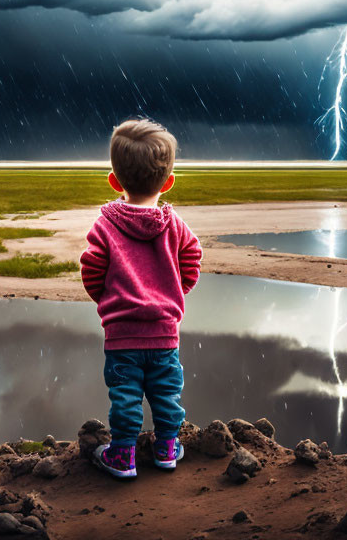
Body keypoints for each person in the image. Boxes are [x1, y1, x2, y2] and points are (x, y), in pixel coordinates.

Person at [80, 118, 202, 479]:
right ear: (168, 182)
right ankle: (166, 448)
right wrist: (175, 292)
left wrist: (109, 298)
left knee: (125, 397)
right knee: (167, 394)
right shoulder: (174, 224)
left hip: (122, 336)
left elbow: (91, 271)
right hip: (165, 333)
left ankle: (123, 455)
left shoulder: (105, 225)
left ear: (114, 181)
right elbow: (193, 258)